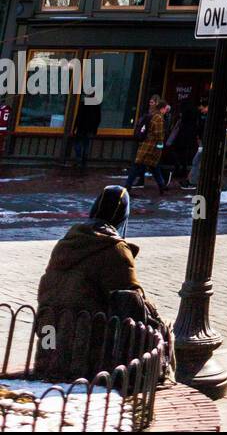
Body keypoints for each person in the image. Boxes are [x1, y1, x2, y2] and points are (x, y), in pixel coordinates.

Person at [35, 185, 172, 381]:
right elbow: (132, 302)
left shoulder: (68, 240)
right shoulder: (114, 248)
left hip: (51, 337)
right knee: (160, 328)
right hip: (86, 343)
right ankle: (145, 379)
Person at [126, 96, 168, 195]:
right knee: (142, 166)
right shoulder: (159, 118)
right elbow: (158, 133)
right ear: (162, 108)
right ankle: (127, 186)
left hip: (146, 145)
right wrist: (160, 145)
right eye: (165, 109)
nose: (166, 111)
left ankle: (162, 185)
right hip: (151, 146)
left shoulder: (152, 114)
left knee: (153, 166)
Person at [70, 100, 101, 170]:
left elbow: (78, 116)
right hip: (89, 129)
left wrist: (74, 127)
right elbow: (98, 118)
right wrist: (95, 129)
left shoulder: (83, 103)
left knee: (78, 144)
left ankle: (79, 159)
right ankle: (83, 161)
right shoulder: (96, 105)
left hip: (81, 128)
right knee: (86, 145)